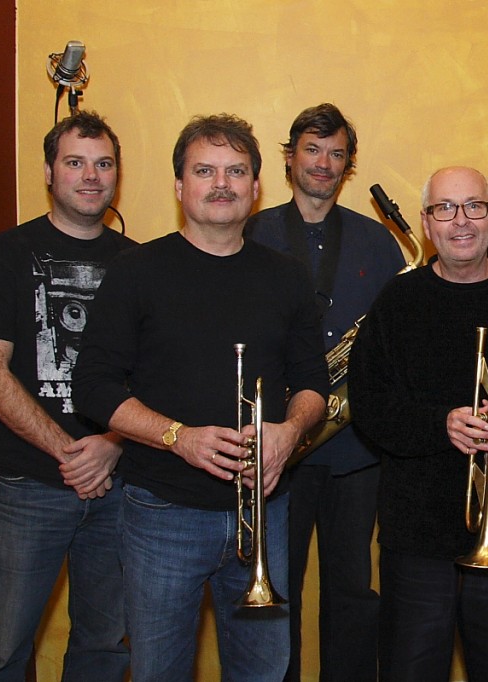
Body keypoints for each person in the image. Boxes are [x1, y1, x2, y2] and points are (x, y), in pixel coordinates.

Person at [72, 114, 329, 682]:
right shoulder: (135, 271)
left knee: (264, 670)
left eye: (236, 171)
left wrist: (290, 432)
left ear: (257, 187)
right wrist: (177, 437)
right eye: (205, 170)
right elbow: (92, 385)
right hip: (162, 513)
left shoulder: (287, 276)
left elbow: (314, 383)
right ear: (179, 186)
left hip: (264, 512)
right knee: (158, 670)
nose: (221, 183)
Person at [348, 166, 488, 682]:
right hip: (416, 540)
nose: (461, 221)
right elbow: (370, 404)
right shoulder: (396, 301)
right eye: (444, 209)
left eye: (475, 206)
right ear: (427, 224)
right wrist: (440, 426)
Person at [0, 111, 133, 682]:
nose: (91, 175)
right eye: (75, 162)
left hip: (118, 488)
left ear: (117, 175)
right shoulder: (6, 254)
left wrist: (108, 443)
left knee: (105, 648)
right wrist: (70, 450)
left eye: (103, 163)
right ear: (48, 172)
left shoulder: (140, 265)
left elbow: (152, 375)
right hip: (27, 488)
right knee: (0, 654)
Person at [246, 102, 403, 682]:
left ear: (349, 165)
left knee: (353, 592)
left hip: (356, 450)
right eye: (312, 150)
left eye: (337, 153)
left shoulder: (378, 242)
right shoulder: (252, 233)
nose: (323, 163)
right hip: (276, 447)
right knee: (275, 594)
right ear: (289, 157)